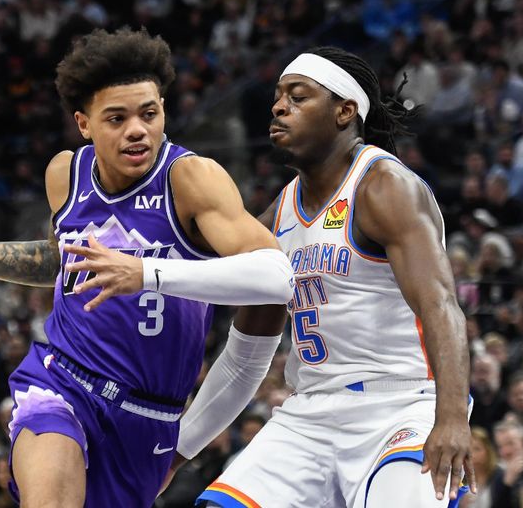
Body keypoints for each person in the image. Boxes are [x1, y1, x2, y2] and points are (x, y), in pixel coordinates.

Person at [0, 28, 295, 507]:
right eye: (116, 118)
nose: (137, 129)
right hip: (63, 379)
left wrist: (145, 273)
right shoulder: (66, 174)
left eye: (149, 113)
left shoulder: (190, 179)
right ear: (84, 124)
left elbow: (276, 276)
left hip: (148, 417)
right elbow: (65, 262)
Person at [165, 46, 473, 507]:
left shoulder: (385, 186)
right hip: (310, 414)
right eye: (277, 96)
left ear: (344, 111)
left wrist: (451, 416)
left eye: (298, 96)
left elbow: (441, 305)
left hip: (400, 406)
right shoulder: (279, 213)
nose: (278, 106)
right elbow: (245, 359)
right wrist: (175, 453)